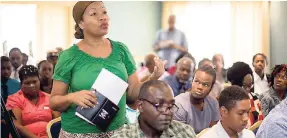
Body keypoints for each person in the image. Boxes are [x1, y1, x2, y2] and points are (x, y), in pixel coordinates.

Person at [49, 1, 166, 138]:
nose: (103, 17)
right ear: (81, 24)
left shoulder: (121, 50)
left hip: (118, 132)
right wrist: (72, 97)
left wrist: (153, 77)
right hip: (79, 133)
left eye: (104, 12)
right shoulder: (69, 56)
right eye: (94, 14)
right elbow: (54, 102)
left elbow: (133, 94)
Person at [111, 80, 196, 138]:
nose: (167, 112)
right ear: (140, 105)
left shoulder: (185, 132)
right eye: (159, 105)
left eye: (171, 105)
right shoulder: (123, 136)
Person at [6, 65, 60, 138]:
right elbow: (17, 126)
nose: (32, 85)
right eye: (27, 83)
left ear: (39, 81)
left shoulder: (49, 98)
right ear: (21, 84)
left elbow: (57, 122)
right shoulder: (14, 99)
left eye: (35, 82)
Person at [174, 65, 220, 134]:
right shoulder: (179, 104)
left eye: (206, 85)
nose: (200, 87)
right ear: (192, 81)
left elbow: (213, 133)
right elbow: (180, 135)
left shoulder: (213, 103)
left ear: (211, 87)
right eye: (197, 81)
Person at [227, 62, 263, 126]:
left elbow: (261, 121)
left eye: (250, 85)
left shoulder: (255, 98)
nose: (248, 90)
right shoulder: (227, 100)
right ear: (236, 84)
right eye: (244, 86)